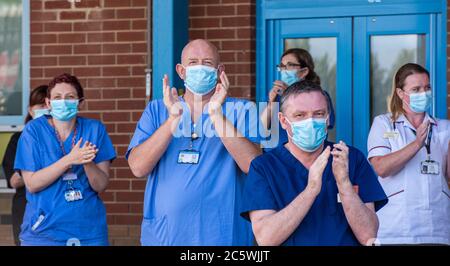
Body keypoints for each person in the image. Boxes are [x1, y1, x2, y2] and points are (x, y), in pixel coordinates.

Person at [127, 39, 262, 246]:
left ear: (219, 70)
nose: (200, 67)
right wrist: (173, 120)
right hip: (165, 235)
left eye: (207, 63)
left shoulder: (242, 110)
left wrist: (216, 114)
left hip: (222, 236)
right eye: (193, 62)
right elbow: (137, 167)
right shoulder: (157, 110)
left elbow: (253, 167)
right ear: (181, 71)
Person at [240, 80, 387, 246]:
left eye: (318, 114)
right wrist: (311, 190)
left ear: (327, 117)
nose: (310, 122)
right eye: (300, 115)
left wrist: (344, 184)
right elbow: (266, 239)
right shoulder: (264, 167)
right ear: (282, 120)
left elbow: (368, 235)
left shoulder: (351, 159)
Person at [14, 73, 116, 246]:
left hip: (88, 232)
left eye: (70, 97)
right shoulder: (33, 131)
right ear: (48, 103)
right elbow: (31, 183)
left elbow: (101, 185)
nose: (63, 102)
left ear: (80, 102)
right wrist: (69, 159)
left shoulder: (94, 129)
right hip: (44, 233)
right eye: (57, 97)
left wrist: (86, 161)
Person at [367, 63, 450, 245]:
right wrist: (417, 144)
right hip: (396, 228)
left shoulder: (445, 128)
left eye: (427, 88)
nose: (424, 93)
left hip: (436, 227)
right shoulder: (384, 124)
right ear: (400, 93)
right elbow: (381, 168)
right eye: (416, 89)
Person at [2, 85, 49, 246]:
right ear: (30, 110)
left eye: (48, 105)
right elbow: (14, 181)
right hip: (26, 208)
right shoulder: (19, 139)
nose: (45, 109)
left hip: (57, 208)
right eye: (41, 105)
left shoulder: (65, 137)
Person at [259, 48, 335, 149]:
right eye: (282, 66)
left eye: (289, 65)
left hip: (307, 156)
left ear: (303, 72)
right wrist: (271, 104)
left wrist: (289, 95)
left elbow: (321, 126)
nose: (284, 70)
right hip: (275, 156)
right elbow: (260, 130)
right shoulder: (272, 96)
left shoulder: (320, 97)